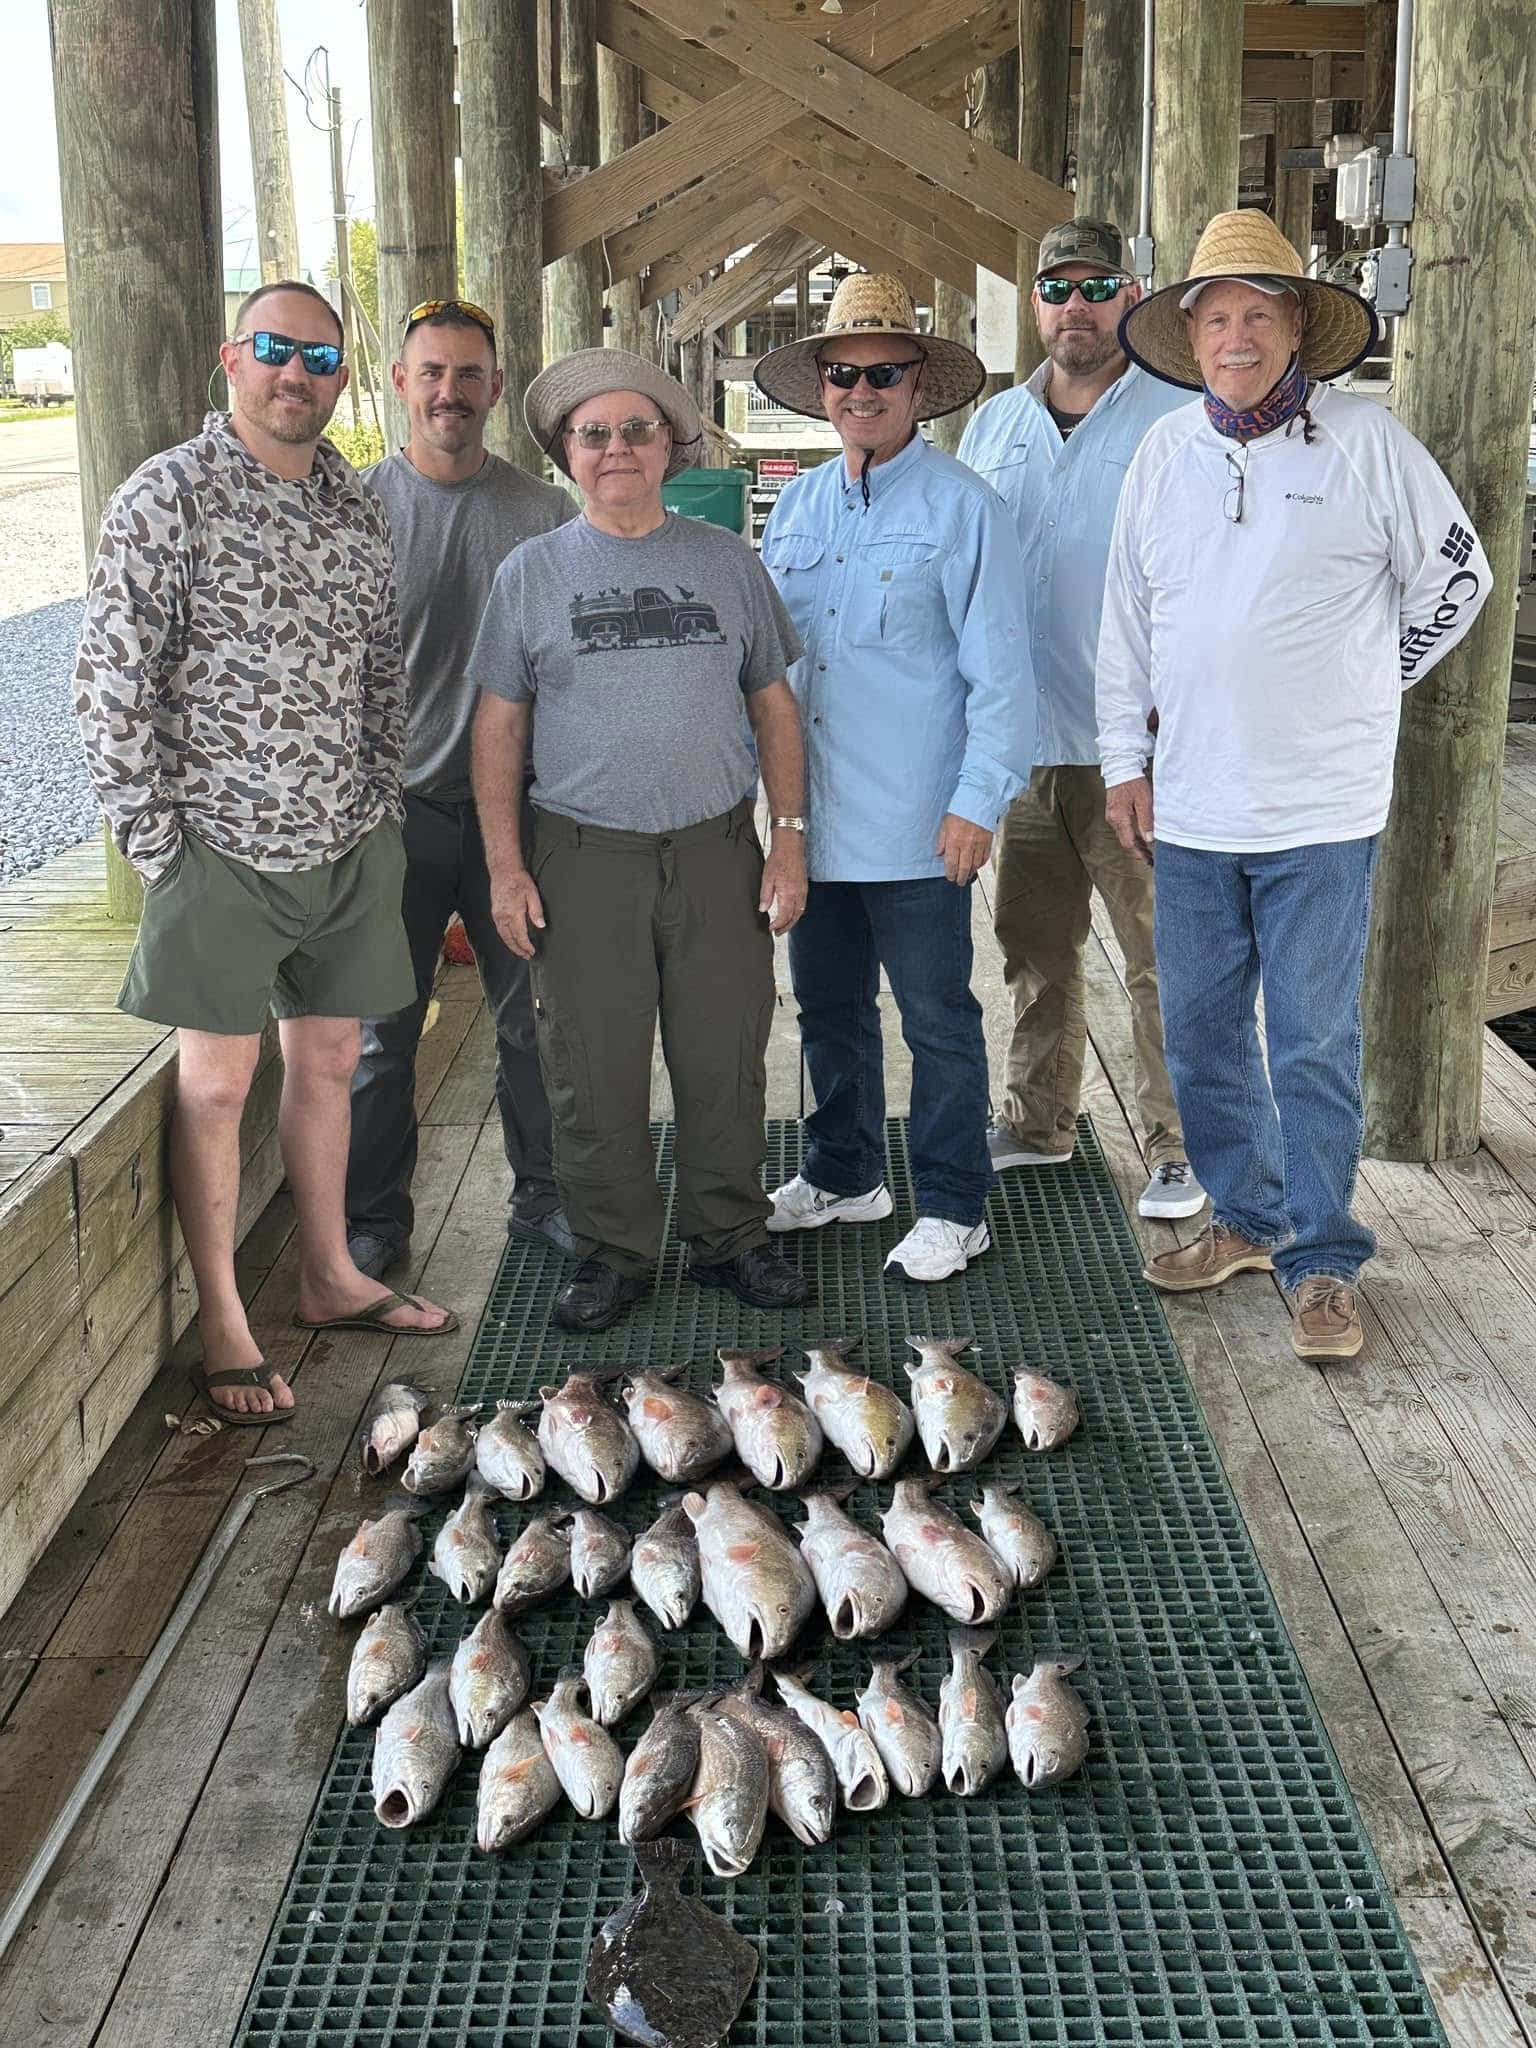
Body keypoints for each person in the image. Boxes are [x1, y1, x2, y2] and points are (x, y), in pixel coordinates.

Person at [1097, 210, 1492, 1359]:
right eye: (1215, 316)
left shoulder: (1369, 444)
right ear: (1190, 335)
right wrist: (1126, 758)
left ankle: (1323, 1259)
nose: (1235, 335)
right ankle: (1250, 1216)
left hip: (1324, 808)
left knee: (1313, 1037)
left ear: (1296, 330)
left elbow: (1457, 581)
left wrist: (1379, 678)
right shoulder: (1165, 453)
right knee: (1205, 1032)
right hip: (1195, 806)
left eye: (1256, 315)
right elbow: (1124, 619)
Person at [73, 280, 458, 1423]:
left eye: (323, 357)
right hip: (219, 846)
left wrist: (380, 800)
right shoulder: (168, 495)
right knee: (217, 1082)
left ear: (345, 380)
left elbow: (381, 671)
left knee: (332, 1059)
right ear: (231, 357)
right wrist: (160, 849)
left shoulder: (353, 503)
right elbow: (106, 686)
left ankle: (332, 1271)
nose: (299, 373)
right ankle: (227, 1323)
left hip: (347, 840)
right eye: (277, 350)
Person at [469, 348, 811, 1333]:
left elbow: (776, 707)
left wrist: (786, 840)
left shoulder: (726, 561)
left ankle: (730, 1234)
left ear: (671, 446)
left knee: (725, 1051)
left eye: (635, 430)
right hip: (583, 858)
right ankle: (614, 1250)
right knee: (590, 1064)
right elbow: (499, 727)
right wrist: (504, 865)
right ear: (567, 455)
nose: (616, 448)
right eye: (594, 434)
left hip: (716, 849)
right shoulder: (531, 574)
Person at [755, 274, 1036, 1283]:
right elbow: (768, 667)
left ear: (921, 384)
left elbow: (1003, 672)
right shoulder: (793, 503)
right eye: (844, 372)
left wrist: (978, 800)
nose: (861, 388)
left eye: (883, 371)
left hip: (923, 819)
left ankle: (958, 1202)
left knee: (938, 1018)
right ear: (822, 386)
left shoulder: (967, 507)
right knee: (826, 1007)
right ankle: (844, 1171)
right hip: (813, 817)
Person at [958, 219, 1204, 1223]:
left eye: (1097, 284)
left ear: (1132, 292)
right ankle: (1039, 1118)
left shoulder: (1180, 416)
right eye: (1057, 287)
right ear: (1036, 303)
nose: (1076, 305)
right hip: (1024, 744)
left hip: (1137, 751)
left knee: (1163, 957)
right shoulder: (992, 424)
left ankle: (1182, 1148)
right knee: (1033, 946)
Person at [346, 298, 579, 1281]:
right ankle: (372, 1221)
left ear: (494, 386)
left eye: (469, 374)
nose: (450, 390)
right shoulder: (351, 508)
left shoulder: (544, 512)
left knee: (535, 1020)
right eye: (432, 371)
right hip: (388, 818)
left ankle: (545, 1198)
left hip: (512, 820)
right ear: (401, 382)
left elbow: (577, 667)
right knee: (380, 1035)